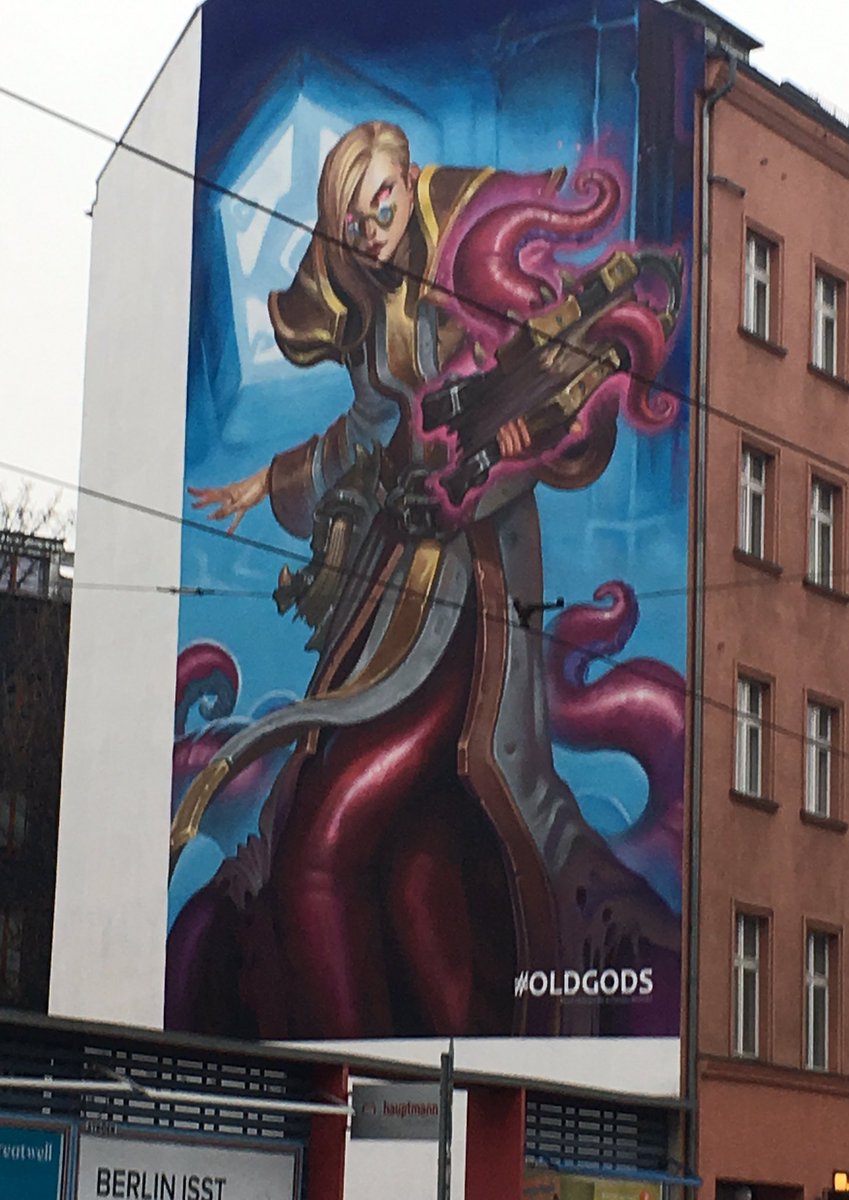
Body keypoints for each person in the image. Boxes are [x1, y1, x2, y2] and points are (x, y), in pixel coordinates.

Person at [166, 120, 683, 1040]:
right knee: (417, 864)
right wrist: (275, 480)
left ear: (410, 182)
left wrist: (516, 451)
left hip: (467, 590)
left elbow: (555, 415)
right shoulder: (376, 311)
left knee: (320, 846)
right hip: (394, 582)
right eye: (354, 224)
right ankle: (441, 1087)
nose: (373, 232)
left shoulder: (473, 281)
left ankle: (348, 1096)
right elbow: (369, 432)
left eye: (383, 204)